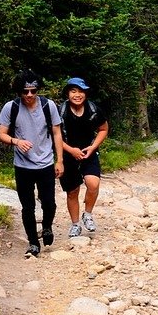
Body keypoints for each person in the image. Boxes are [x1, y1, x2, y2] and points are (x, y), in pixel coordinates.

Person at [0, 70, 64, 257]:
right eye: (25, 91)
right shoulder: (11, 107)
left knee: (49, 203)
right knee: (28, 207)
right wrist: (16, 141)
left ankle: (47, 226)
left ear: (37, 90)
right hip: (22, 166)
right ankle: (33, 243)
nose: (29, 95)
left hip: (45, 164)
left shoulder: (48, 106)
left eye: (33, 91)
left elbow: (57, 133)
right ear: (19, 91)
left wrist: (60, 160)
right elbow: (1, 133)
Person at [58, 77, 108, 237]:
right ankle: (75, 224)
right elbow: (55, 136)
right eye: (73, 91)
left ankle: (87, 214)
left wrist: (93, 147)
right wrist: (71, 150)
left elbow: (103, 128)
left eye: (81, 91)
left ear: (85, 93)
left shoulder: (93, 109)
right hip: (67, 154)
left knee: (93, 184)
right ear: (67, 93)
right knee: (72, 192)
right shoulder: (60, 112)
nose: (77, 95)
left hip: (89, 153)